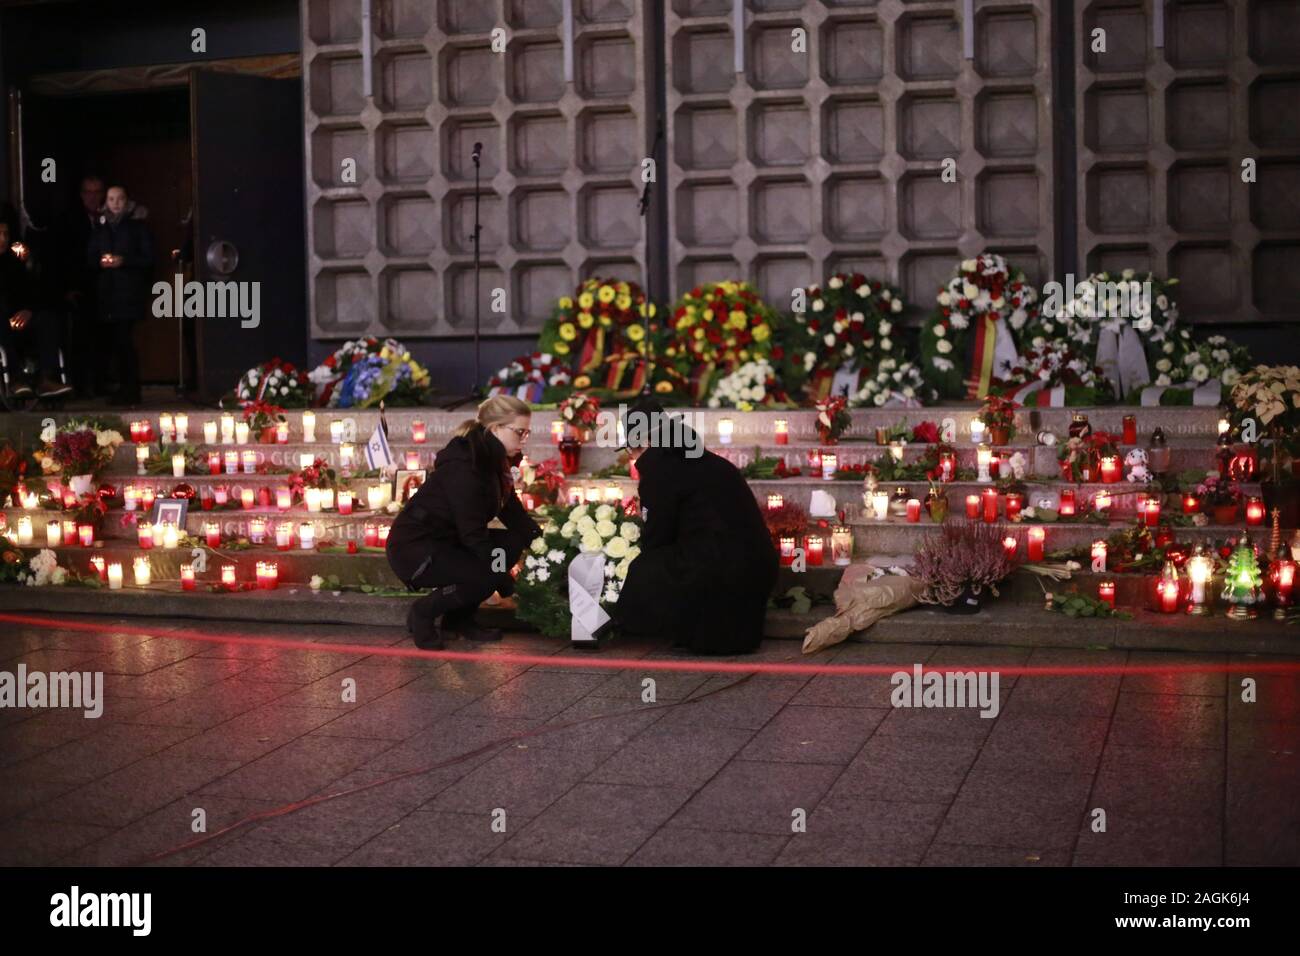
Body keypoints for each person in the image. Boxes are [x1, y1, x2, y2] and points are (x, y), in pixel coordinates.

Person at [610, 397, 778, 654]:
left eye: (630, 449)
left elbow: (658, 537)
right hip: (756, 568)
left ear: (645, 443)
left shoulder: (658, 470)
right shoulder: (701, 458)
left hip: (720, 573)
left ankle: (632, 626)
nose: (630, 457)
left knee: (647, 566)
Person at [386, 395, 541, 649]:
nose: (524, 440)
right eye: (519, 432)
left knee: (510, 543)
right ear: (495, 429)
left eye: (527, 433)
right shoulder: (466, 465)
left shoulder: (493, 463)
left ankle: (458, 621)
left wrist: (545, 544)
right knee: (488, 567)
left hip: (448, 543)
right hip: (416, 549)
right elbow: (472, 535)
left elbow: (514, 515)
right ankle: (423, 612)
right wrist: (502, 579)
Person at [87, 184, 153, 406]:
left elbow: (148, 258)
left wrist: (124, 261)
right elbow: (90, 257)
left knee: (124, 342)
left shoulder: (137, 227)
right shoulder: (100, 227)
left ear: (127, 201)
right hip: (107, 294)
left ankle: (131, 390)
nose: (115, 203)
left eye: (120, 199)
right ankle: (120, 388)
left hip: (128, 293)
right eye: (111, 199)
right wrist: (101, 262)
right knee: (113, 343)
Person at [0, 207, 72, 399]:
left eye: (5, 234)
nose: (3, 239)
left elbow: (32, 290)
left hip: (19, 319)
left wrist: (28, 310)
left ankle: (47, 379)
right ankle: (15, 380)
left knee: (46, 318)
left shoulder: (14, 262)